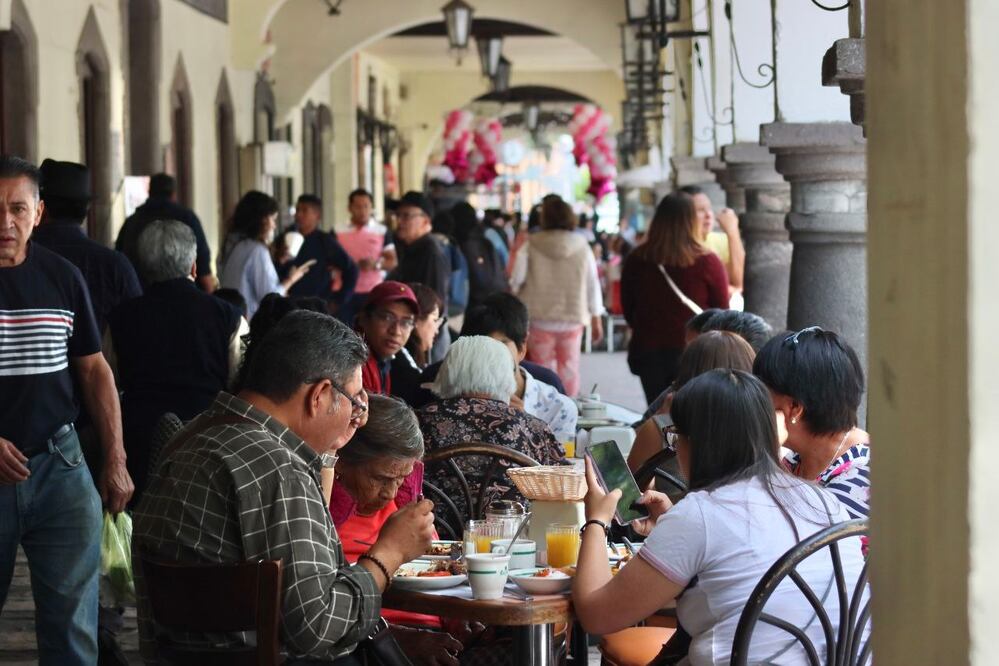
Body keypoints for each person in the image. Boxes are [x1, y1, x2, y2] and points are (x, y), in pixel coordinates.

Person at [133, 311, 436, 665]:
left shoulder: (188, 436)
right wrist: (389, 553)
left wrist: (332, 444)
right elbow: (317, 629)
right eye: (354, 400)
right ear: (320, 394)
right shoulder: (279, 467)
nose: (358, 415)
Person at [573, 370, 867, 664]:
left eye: (677, 437)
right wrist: (672, 527)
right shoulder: (824, 501)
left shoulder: (700, 515)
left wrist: (597, 520)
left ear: (697, 443)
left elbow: (597, 616)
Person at [0, 154, 133, 664]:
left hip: (61, 464)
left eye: (17, 208)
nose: (5, 222)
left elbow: (95, 370)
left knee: (73, 624)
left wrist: (115, 459)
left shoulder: (64, 277)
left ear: (39, 213)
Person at [107, 220, 245, 502]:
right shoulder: (228, 317)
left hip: (141, 449)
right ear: (194, 266)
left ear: (142, 267)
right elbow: (241, 383)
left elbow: (109, 380)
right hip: (210, 445)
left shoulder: (121, 319)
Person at [418, 336, 567, 518]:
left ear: (447, 372)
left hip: (431, 535)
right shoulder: (533, 428)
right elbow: (564, 485)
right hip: (513, 539)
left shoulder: (417, 421)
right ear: (506, 376)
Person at [621, 193, 730, 405]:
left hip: (649, 351)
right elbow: (723, 313)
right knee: (691, 415)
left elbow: (628, 310)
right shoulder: (707, 261)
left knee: (658, 413)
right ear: (691, 221)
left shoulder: (637, 260)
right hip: (696, 353)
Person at [753, 326, 871, 518]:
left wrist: (767, 449)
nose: (755, 402)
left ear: (794, 408)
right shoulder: (798, 457)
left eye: (761, 393)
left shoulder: (861, 479)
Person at [32, 159, 141, 335]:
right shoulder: (114, 264)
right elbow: (139, 328)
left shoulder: (20, 257)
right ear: (86, 209)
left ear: (40, 208)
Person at [511, 195, 605, 396]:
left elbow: (516, 279)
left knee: (541, 370)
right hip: (572, 318)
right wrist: (596, 317)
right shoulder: (582, 245)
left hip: (538, 317)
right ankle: (568, 408)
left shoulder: (531, 244)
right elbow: (592, 284)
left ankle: (541, 410)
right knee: (569, 369)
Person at [627, 331, 756, 472]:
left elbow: (631, 485)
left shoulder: (663, 427)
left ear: (688, 371)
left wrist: (659, 417)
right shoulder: (766, 427)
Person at [460, 294, 578, 444]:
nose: (491, 357)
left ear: (522, 347)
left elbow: (558, 466)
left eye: (501, 345)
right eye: (482, 346)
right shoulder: (452, 400)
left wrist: (526, 426)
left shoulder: (558, 409)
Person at [640, 308, 774, 420]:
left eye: (732, 361)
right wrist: (662, 420)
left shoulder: (769, 413)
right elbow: (633, 436)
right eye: (705, 358)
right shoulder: (680, 392)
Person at [218, 190, 311, 318]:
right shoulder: (257, 250)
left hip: (228, 317)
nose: (273, 226)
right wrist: (292, 279)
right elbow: (269, 296)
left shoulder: (230, 243)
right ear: (261, 220)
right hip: (249, 322)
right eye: (272, 219)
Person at [116, 173, 215, 292]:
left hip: (140, 299)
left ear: (149, 192)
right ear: (173, 194)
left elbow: (120, 263)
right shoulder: (187, 219)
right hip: (184, 301)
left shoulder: (132, 222)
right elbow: (204, 271)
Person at [277, 194, 358, 313]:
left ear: (317, 215)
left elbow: (352, 269)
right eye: (297, 210)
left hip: (316, 307)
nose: (299, 215)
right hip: (286, 305)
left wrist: (339, 300)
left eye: (304, 210)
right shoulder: (284, 238)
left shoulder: (325, 241)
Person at [337, 189, 395, 324]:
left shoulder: (382, 231)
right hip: (344, 290)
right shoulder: (337, 230)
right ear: (349, 208)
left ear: (371, 208)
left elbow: (392, 261)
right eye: (358, 206)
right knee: (344, 330)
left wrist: (376, 264)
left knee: (371, 330)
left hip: (373, 291)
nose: (362, 210)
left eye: (366, 206)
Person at [388, 191, 450, 314]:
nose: (399, 221)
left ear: (425, 221)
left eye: (406, 216)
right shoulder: (407, 247)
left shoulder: (431, 253)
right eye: (398, 215)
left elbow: (432, 306)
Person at [354, 280, 420, 396]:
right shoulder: (354, 365)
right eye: (387, 317)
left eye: (406, 322)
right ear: (363, 318)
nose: (396, 331)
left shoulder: (382, 358)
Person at [680, 184, 745, 298]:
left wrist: (732, 233)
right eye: (700, 210)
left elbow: (739, 281)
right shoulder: (676, 246)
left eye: (709, 208)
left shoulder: (722, 240)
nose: (708, 215)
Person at [390, 283, 442, 406]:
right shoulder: (399, 357)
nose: (437, 330)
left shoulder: (410, 357)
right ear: (416, 320)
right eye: (435, 320)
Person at [450, 201, 508, 309]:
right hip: (494, 292)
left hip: (469, 299)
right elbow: (505, 258)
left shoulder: (455, 241)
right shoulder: (488, 234)